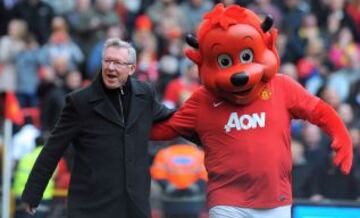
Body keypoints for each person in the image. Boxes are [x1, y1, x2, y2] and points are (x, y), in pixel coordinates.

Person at [21, 38, 174, 218]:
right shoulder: (79, 102)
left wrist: (206, 123)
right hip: (92, 205)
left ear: (131, 68)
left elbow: (171, 117)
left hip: (134, 204)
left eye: (117, 63)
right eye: (107, 61)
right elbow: (53, 149)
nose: (110, 68)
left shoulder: (145, 94)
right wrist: (33, 193)